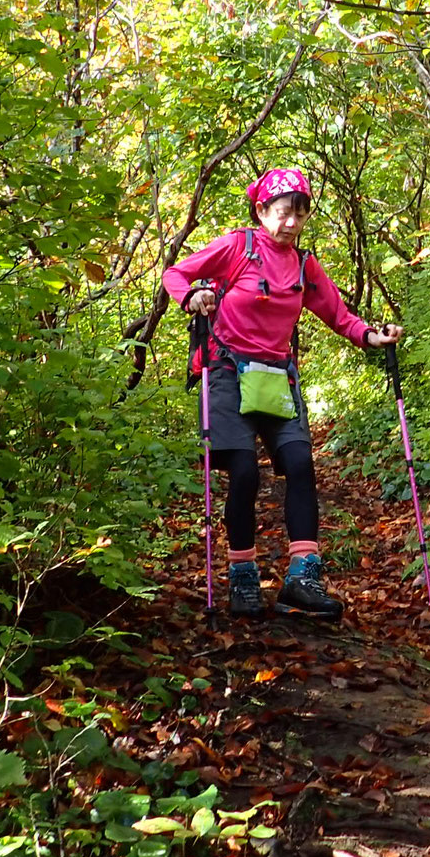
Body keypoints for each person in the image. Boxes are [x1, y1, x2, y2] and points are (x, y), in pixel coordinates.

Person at [162, 168, 405, 619]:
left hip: (277, 378)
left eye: (299, 214)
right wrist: (192, 296)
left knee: (299, 464)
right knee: (246, 473)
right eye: (283, 213)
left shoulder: (303, 264)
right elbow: (175, 273)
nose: (291, 222)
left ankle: (303, 577)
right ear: (262, 211)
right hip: (227, 373)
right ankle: (243, 576)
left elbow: (338, 313)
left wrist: (372, 337)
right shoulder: (237, 247)